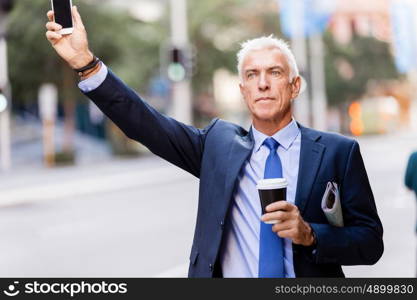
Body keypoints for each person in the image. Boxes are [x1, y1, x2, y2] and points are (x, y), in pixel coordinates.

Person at [45, 6, 383, 278]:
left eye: (274, 73)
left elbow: (370, 243)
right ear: (243, 90)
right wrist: (86, 65)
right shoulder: (219, 145)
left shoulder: (338, 152)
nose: (262, 83)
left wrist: (310, 234)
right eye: (252, 75)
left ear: (294, 86)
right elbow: (146, 125)